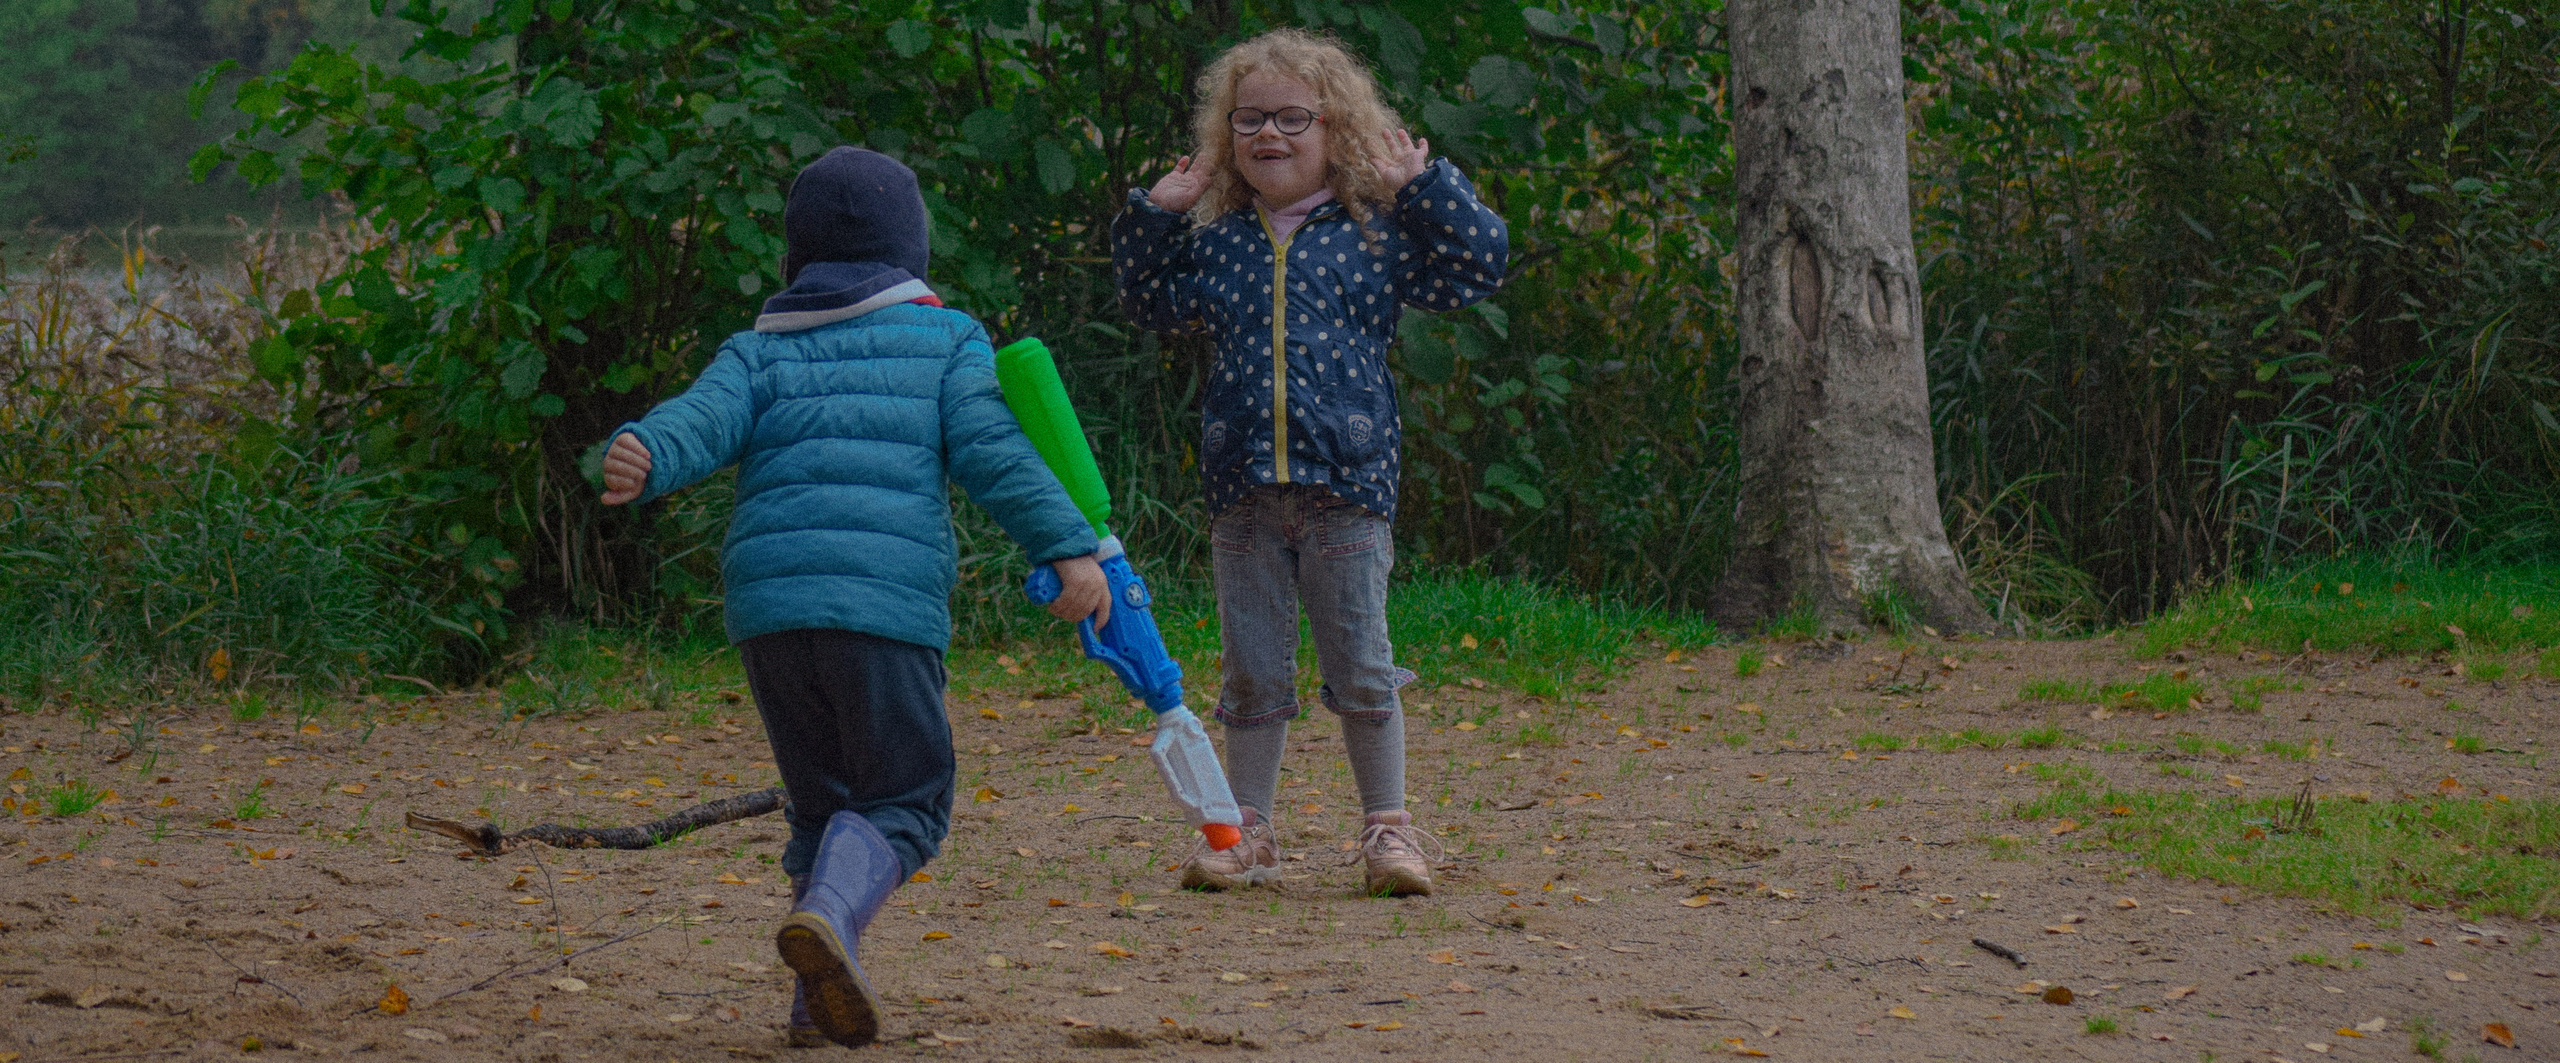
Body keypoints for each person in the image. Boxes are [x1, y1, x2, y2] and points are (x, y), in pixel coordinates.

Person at [597, 146, 1109, 1047]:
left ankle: (812, 1002)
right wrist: (1069, 545)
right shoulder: (945, 341)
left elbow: (698, 417)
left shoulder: (756, 350)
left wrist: (646, 446)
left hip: (771, 616)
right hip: (884, 612)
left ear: (796, 257)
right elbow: (996, 453)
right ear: (911, 254)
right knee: (907, 797)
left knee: (823, 805)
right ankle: (831, 914)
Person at [1111, 28, 1509, 897]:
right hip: (1242, 490)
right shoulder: (1218, 239)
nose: (1271, 135)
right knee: (1252, 671)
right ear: (1227, 136)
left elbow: (1479, 265)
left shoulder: (1375, 230)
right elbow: (1144, 300)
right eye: (1250, 118)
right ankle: (1245, 829)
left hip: (1347, 488)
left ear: (1338, 130)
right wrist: (1158, 211)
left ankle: (1389, 830)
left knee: (1362, 667)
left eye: (1296, 117)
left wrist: (1425, 185)